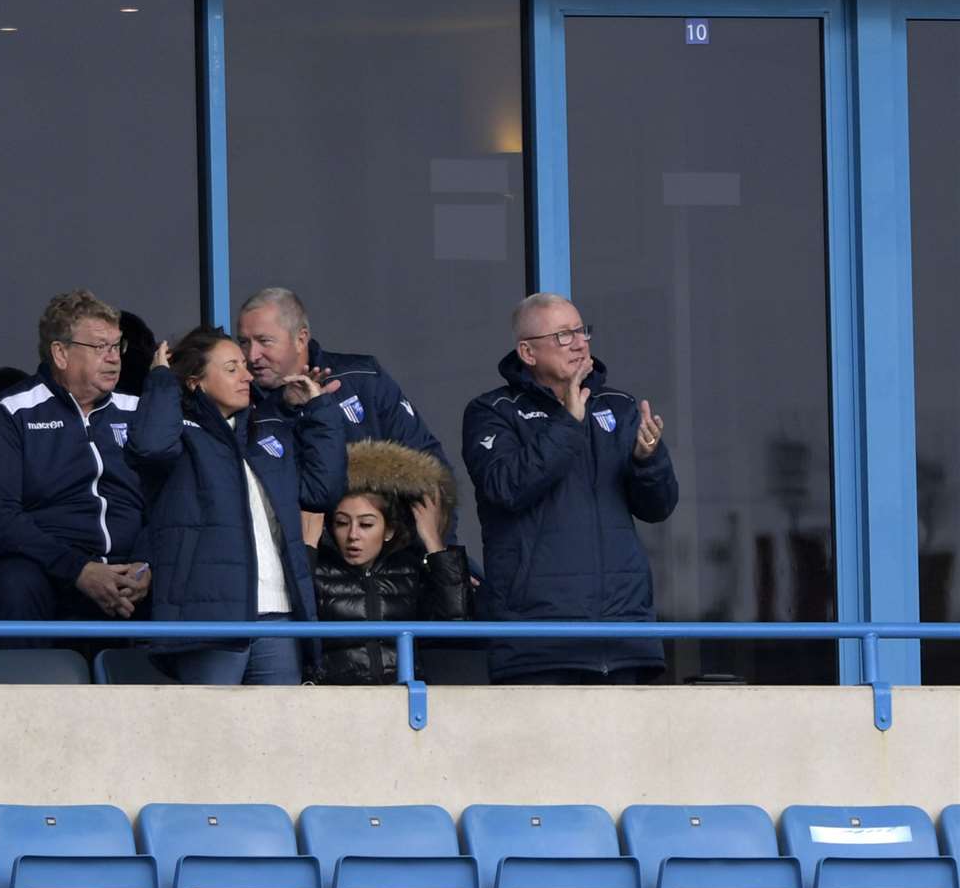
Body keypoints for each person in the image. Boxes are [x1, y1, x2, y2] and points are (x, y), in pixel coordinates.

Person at [462, 292, 678, 684]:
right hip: (538, 644)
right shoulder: (492, 412)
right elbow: (505, 487)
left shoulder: (620, 405)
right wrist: (567, 422)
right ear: (528, 352)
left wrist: (649, 460)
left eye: (582, 331)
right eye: (563, 335)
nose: (580, 343)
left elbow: (658, 507)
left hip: (623, 636)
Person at [129, 325, 346, 684]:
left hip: (279, 614)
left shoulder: (264, 434)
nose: (247, 376)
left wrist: (319, 410)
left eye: (244, 366)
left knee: (277, 736)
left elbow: (322, 491)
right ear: (195, 381)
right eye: (231, 369)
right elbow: (150, 446)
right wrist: (162, 380)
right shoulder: (181, 435)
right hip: (211, 620)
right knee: (213, 735)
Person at [0, 289, 151, 623]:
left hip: (128, 570)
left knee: (188, 579)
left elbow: (167, 504)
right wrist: (79, 569)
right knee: (16, 583)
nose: (114, 358)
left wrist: (148, 563)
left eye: (116, 345)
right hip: (48, 568)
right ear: (61, 354)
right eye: (99, 347)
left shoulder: (137, 411)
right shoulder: (12, 412)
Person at [303, 440, 473, 685]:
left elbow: (458, 627)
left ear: (389, 530)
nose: (353, 535)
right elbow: (292, 625)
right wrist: (307, 547)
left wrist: (435, 542)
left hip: (401, 705)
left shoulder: (410, 570)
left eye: (366, 524)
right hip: (333, 706)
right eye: (341, 522)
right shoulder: (317, 568)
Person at [236, 286, 453, 473]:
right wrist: (282, 406)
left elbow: (429, 466)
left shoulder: (363, 378)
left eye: (264, 341)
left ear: (301, 339)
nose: (252, 355)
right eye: (244, 342)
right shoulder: (237, 400)